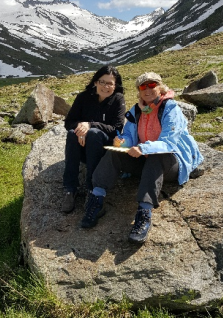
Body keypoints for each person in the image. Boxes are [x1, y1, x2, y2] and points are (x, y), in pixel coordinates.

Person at [81, 71, 204, 244]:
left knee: (157, 156)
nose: (147, 89)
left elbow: (169, 142)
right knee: (113, 153)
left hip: (172, 162)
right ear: (139, 91)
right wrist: (123, 142)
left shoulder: (170, 108)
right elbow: (130, 135)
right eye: (143, 86)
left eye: (152, 85)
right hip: (144, 159)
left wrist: (143, 147)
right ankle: (96, 200)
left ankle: (144, 214)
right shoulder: (136, 111)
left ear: (160, 87)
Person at [62, 65, 126, 213]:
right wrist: (80, 129)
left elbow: (117, 128)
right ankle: (70, 189)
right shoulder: (83, 97)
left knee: (94, 133)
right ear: (95, 82)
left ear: (115, 85)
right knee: (72, 133)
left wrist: (90, 125)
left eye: (110, 83)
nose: (105, 86)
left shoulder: (118, 99)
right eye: (102, 82)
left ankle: (91, 188)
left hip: (104, 148)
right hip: (83, 145)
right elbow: (69, 122)